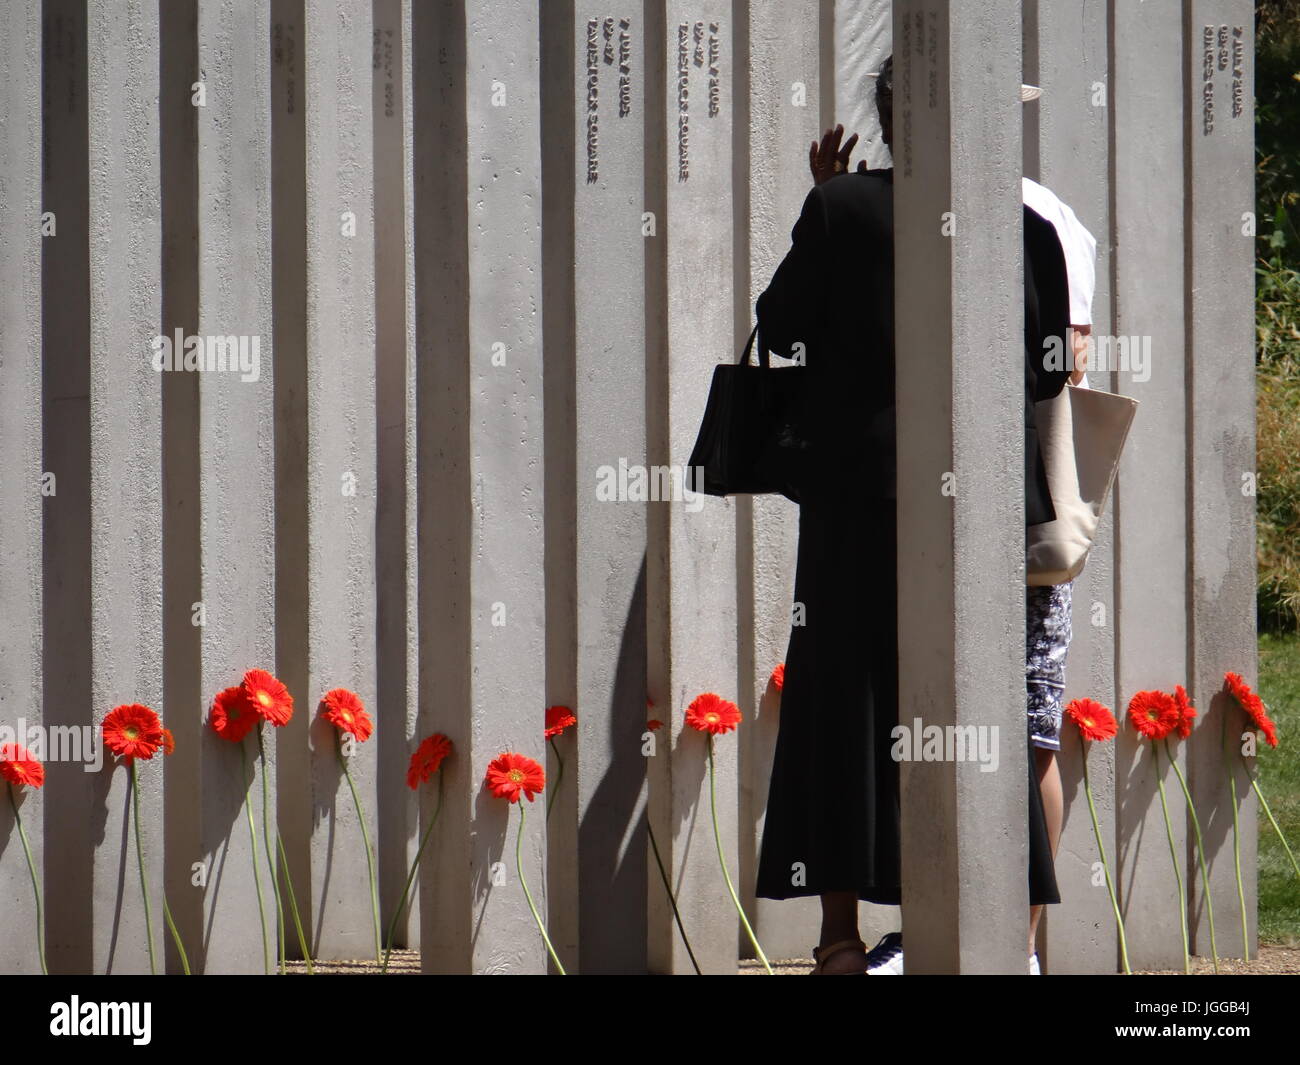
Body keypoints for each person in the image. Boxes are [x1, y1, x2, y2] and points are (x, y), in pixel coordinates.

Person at [752, 54, 1078, 975]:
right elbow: (1049, 370)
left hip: (857, 507)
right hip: (978, 512)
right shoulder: (1024, 229)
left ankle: (840, 939)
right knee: (985, 711)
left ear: (888, 118)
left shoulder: (841, 211)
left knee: (843, 702)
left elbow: (779, 329)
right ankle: (993, 941)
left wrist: (822, 210)